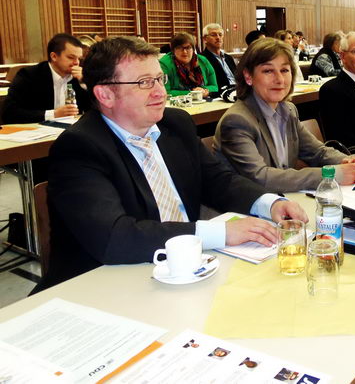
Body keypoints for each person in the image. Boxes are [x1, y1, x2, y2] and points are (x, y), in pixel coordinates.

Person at [37, 36, 306, 291]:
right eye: (144, 83)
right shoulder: (79, 148)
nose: (160, 92)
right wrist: (219, 232)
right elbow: (115, 237)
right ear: (106, 95)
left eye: (159, 79)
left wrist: (269, 203)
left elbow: (217, 180)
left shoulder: (175, 124)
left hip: (185, 271)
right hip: (101, 285)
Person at [214, 38, 355, 192]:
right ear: (248, 77)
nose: (279, 79)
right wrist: (331, 174)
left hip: (284, 199)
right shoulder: (236, 121)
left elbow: (317, 152)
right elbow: (260, 178)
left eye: (284, 70)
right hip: (242, 209)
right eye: (268, 71)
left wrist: (347, 160)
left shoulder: (288, 110)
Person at [3, 33, 90, 124]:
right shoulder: (29, 75)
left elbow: (95, 109)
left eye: (79, 59)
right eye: (71, 57)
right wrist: (53, 114)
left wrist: (86, 83)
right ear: (54, 56)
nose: (76, 63)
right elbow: (9, 113)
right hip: (36, 132)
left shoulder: (78, 78)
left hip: (71, 131)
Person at [160, 32, 218, 97]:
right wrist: (192, 93)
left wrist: (204, 90)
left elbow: (215, 87)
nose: (184, 52)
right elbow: (166, 92)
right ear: (173, 50)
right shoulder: (164, 64)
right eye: (179, 48)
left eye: (188, 48)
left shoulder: (203, 61)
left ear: (193, 49)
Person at [201, 23, 237, 90]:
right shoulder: (202, 59)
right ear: (205, 39)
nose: (218, 38)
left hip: (238, 91)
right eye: (213, 35)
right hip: (221, 94)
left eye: (220, 35)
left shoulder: (229, 58)